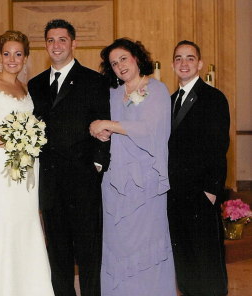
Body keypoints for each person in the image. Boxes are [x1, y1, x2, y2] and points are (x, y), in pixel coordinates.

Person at [27, 19, 110, 296]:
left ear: (74, 43)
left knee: (88, 252)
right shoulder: (35, 84)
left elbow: (104, 122)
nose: (56, 45)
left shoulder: (94, 81)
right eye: (51, 40)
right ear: (45, 45)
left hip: (83, 178)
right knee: (58, 252)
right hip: (50, 181)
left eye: (62, 39)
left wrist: (97, 166)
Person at [0, 30, 54, 296]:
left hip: (27, 166)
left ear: (26, 57)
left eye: (18, 54)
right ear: (0, 56)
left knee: (27, 222)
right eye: (7, 54)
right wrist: (8, 143)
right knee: (2, 224)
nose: (12, 59)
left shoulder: (24, 89)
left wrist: (26, 143)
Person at [90, 38, 176, 296]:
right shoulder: (113, 94)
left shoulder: (157, 89)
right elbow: (101, 128)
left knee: (146, 245)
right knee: (118, 245)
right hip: (115, 183)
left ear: (137, 58)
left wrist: (108, 124)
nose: (119, 66)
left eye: (123, 59)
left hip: (146, 183)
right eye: (114, 63)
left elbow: (151, 129)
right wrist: (99, 132)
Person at [168, 40, 229, 296]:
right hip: (175, 193)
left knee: (207, 262)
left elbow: (219, 146)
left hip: (201, 193)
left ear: (200, 64)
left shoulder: (213, 98)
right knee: (184, 260)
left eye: (190, 58)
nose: (184, 63)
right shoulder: (168, 101)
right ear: (172, 65)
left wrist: (212, 190)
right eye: (179, 58)